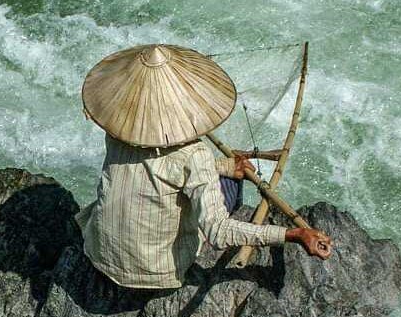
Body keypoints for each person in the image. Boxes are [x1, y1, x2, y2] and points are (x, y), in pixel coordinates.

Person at [75, 44, 332, 289]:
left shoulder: (118, 131)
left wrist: (224, 166)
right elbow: (218, 232)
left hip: (100, 251)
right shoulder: (194, 155)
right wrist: (294, 234)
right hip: (155, 271)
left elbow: (159, 166)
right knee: (230, 186)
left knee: (224, 176)